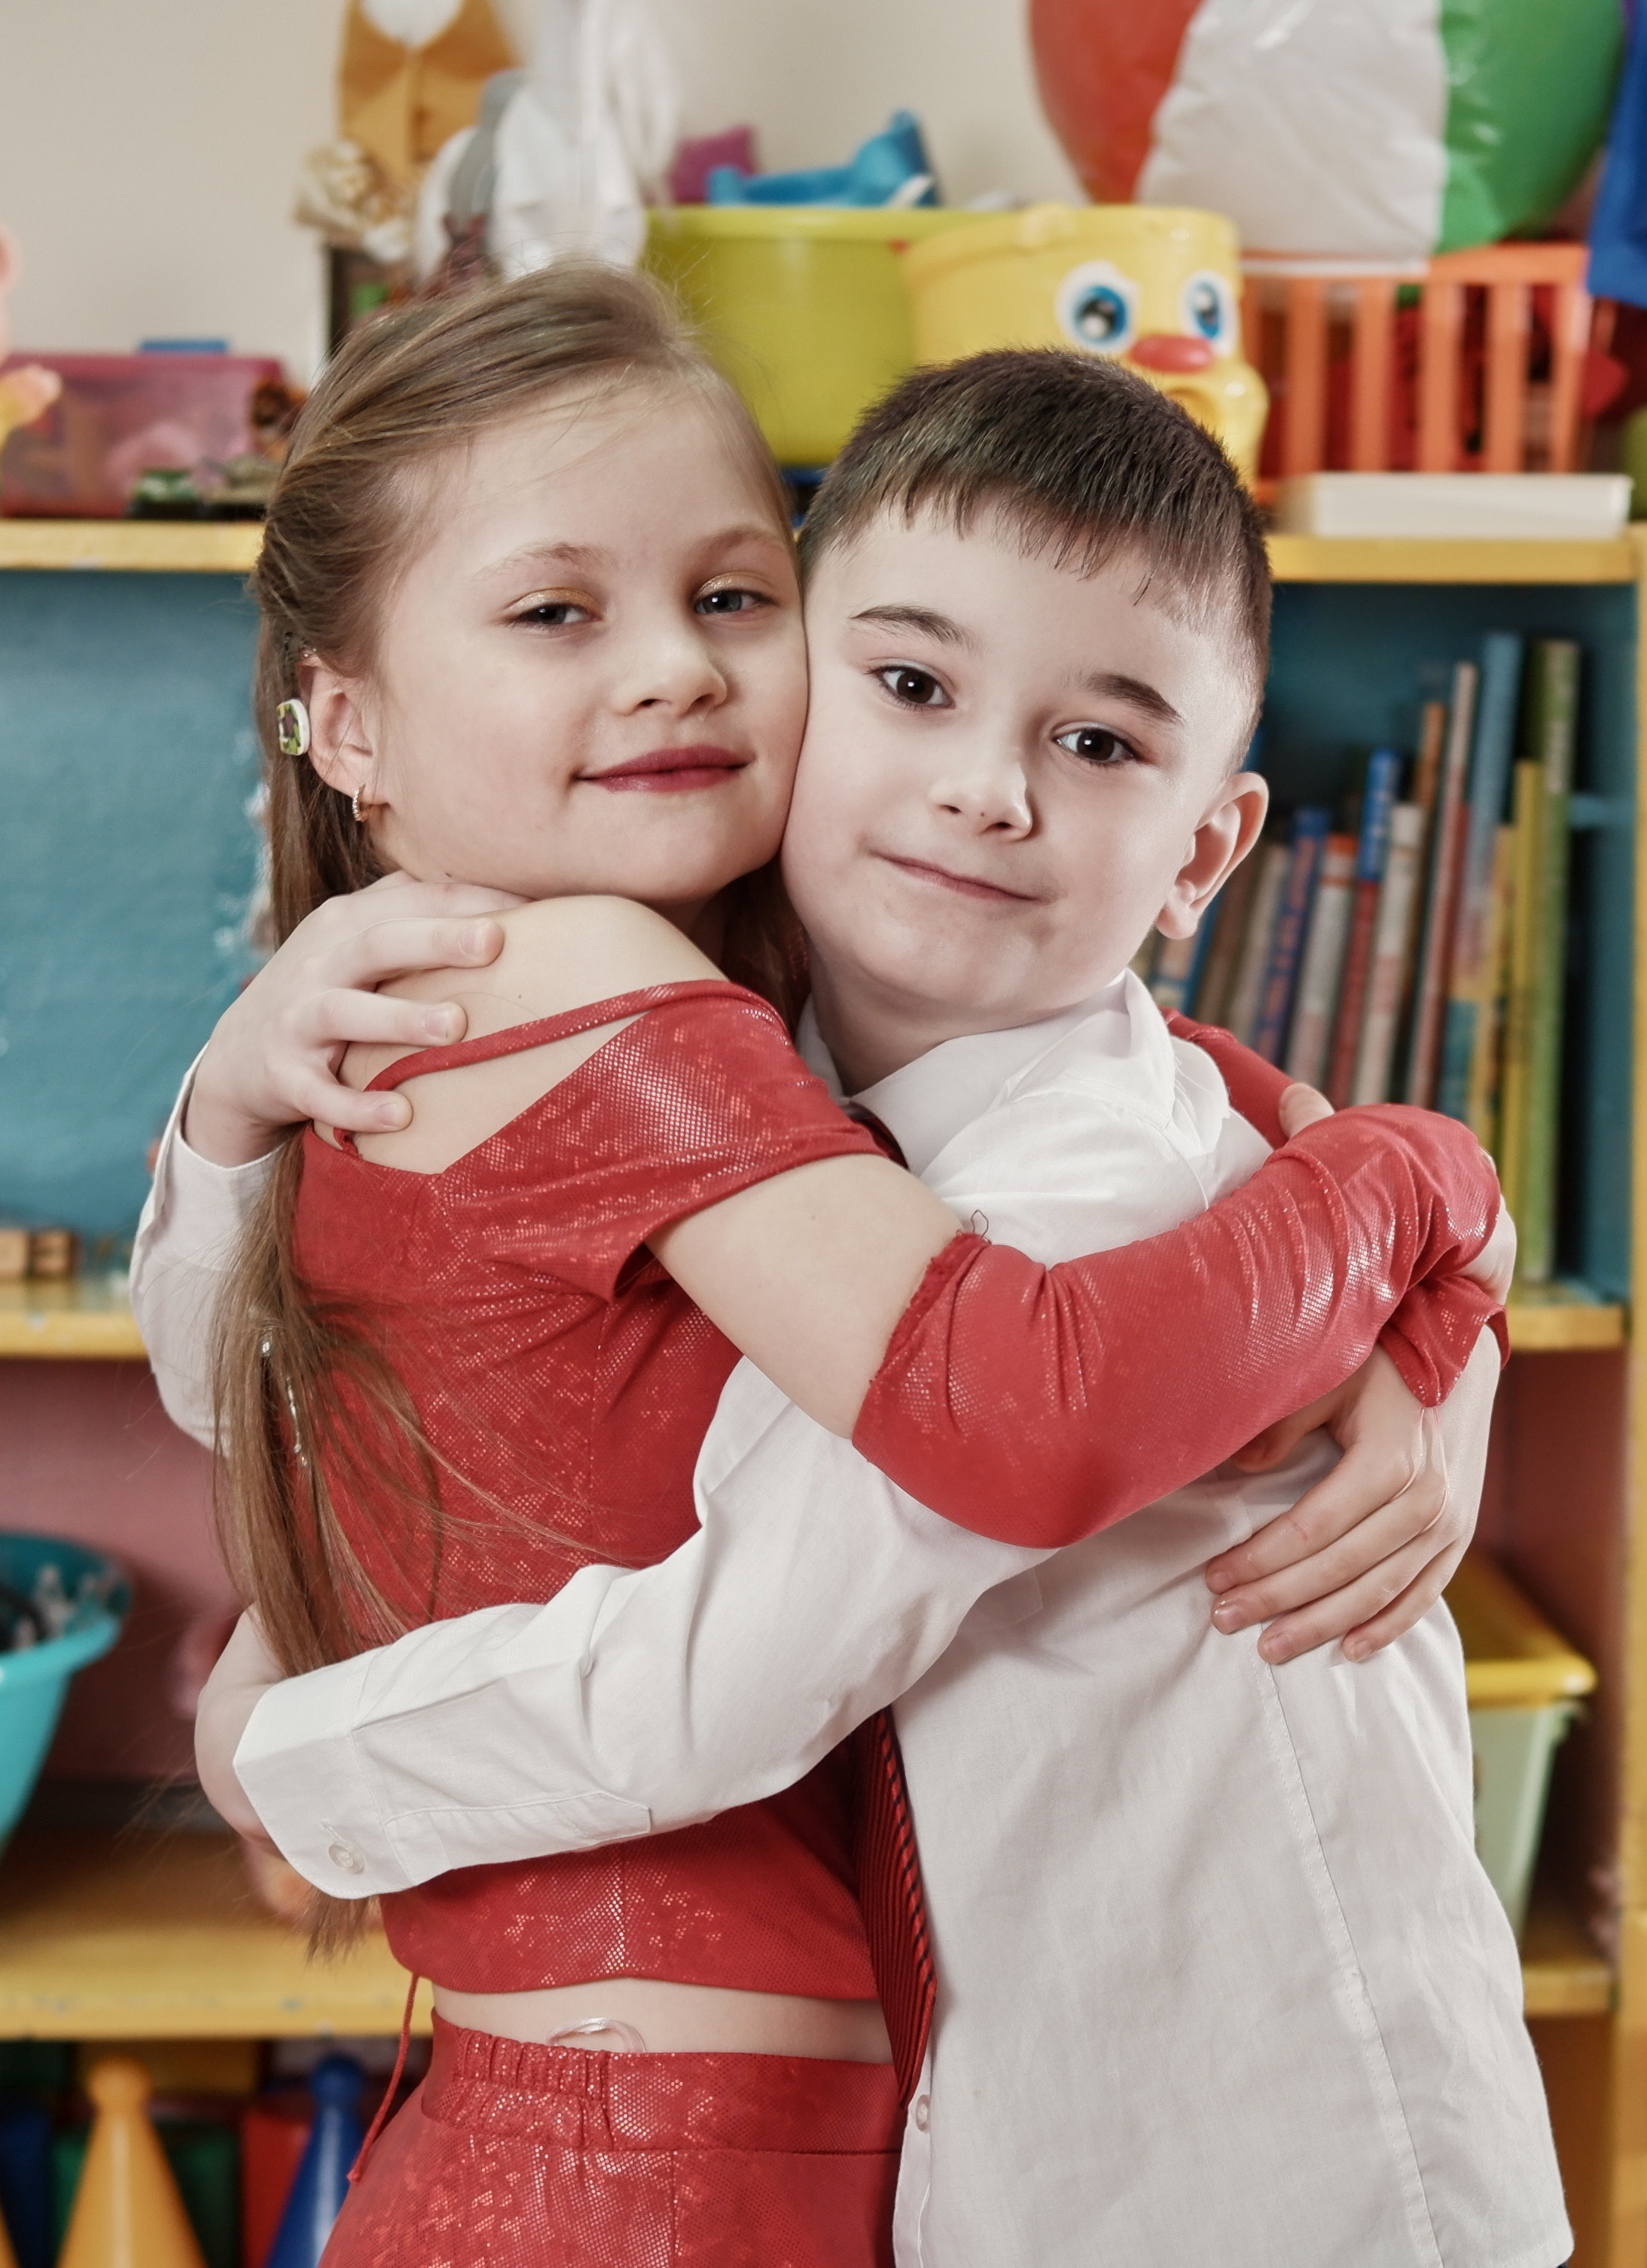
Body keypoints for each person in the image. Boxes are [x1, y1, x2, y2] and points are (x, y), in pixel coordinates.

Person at [134, 270, 1505, 2265]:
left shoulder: (792, 1059)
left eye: (728, 599)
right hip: (712, 2131)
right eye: (554, 611)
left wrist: (278, 1743)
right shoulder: (617, 998)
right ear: (347, 714)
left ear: (1204, 843)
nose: (679, 672)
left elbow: (918, 1486)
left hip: (1215, 2151)